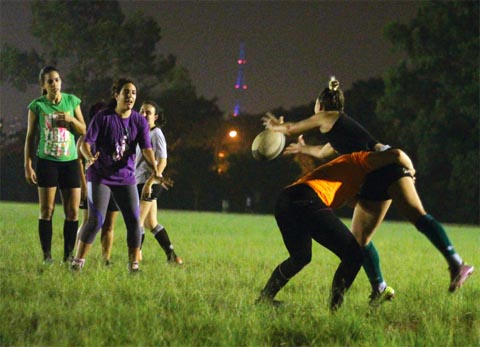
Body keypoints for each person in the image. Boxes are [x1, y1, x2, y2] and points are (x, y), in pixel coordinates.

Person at [262, 77, 474, 299]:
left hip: (385, 164)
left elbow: (294, 127)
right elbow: (323, 152)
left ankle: (456, 265)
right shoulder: (337, 133)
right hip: (376, 173)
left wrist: (278, 127)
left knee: (412, 217)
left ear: (321, 106)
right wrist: (305, 150)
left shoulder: (328, 116)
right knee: (362, 238)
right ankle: (381, 289)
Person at [257, 148, 416, 311]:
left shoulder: (346, 177)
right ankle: (334, 310)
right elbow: (397, 154)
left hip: (285, 201)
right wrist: (411, 172)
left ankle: (265, 298)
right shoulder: (358, 160)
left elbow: (355, 202)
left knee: (300, 257)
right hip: (306, 199)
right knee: (353, 255)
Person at [71, 78, 163, 272]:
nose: (130, 96)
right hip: (100, 176)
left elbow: (146, 149)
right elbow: (85, 143)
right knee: (96, 221)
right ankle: (77, 263)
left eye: (134, 93)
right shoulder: (103, 117)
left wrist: (155, 171)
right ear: (117, 95)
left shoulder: (139, 121)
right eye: (126, 92)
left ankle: (133, 265)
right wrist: (90, 157)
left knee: (134, 222)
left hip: (125, 177)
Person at [24, 66, 86, 264]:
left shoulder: (71, 101)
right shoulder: (37, 105)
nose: (55, 84)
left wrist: (70, 119)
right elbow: (30, 136)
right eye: (50, 81)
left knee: (73, 212)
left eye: (57, 80)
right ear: (43, 85)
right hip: (47, 162)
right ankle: (47, 257)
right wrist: (28, 164)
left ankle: (68, 257)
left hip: (69, 162)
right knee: (47, 210)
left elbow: (84, 130)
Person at [135, 100, 183, 265]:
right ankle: (172, 256)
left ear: (155, 117)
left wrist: (149, 183)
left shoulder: (156, 134)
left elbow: (162, 162)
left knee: (137, 221)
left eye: (148, 112)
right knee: (151, 223)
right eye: (141, 111)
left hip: (149, 183)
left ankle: (135, 258)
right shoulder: (139, 132)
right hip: (139, 180)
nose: (144, 114)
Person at [77, 102, 119, 266]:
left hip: (113, 184)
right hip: (93, 184)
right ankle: (77, 255)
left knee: (109, 225)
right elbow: (79, 163)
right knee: (89, 222)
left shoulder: (115, 135)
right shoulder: (85, 137)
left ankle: (105, 259)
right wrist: (83, 185)